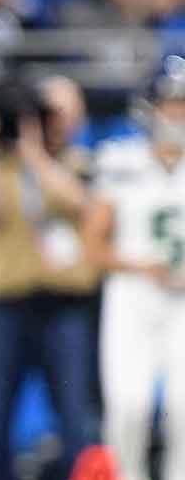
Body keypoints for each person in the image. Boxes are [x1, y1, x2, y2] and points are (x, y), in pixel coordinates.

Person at [0, 75, 100, 480]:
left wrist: (35, 154)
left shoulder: (80, 161)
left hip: (64, 304)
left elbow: (81, 203)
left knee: (74, 412)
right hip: (4, 304)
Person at [81, 55, 185, 480]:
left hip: (183, 303)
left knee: (184, 408)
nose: (177, 113)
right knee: (129, 407)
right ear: (150, 107)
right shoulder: (119, 159)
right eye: (171, 103)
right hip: (133, 295)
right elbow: (92, 245)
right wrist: (143, 267)